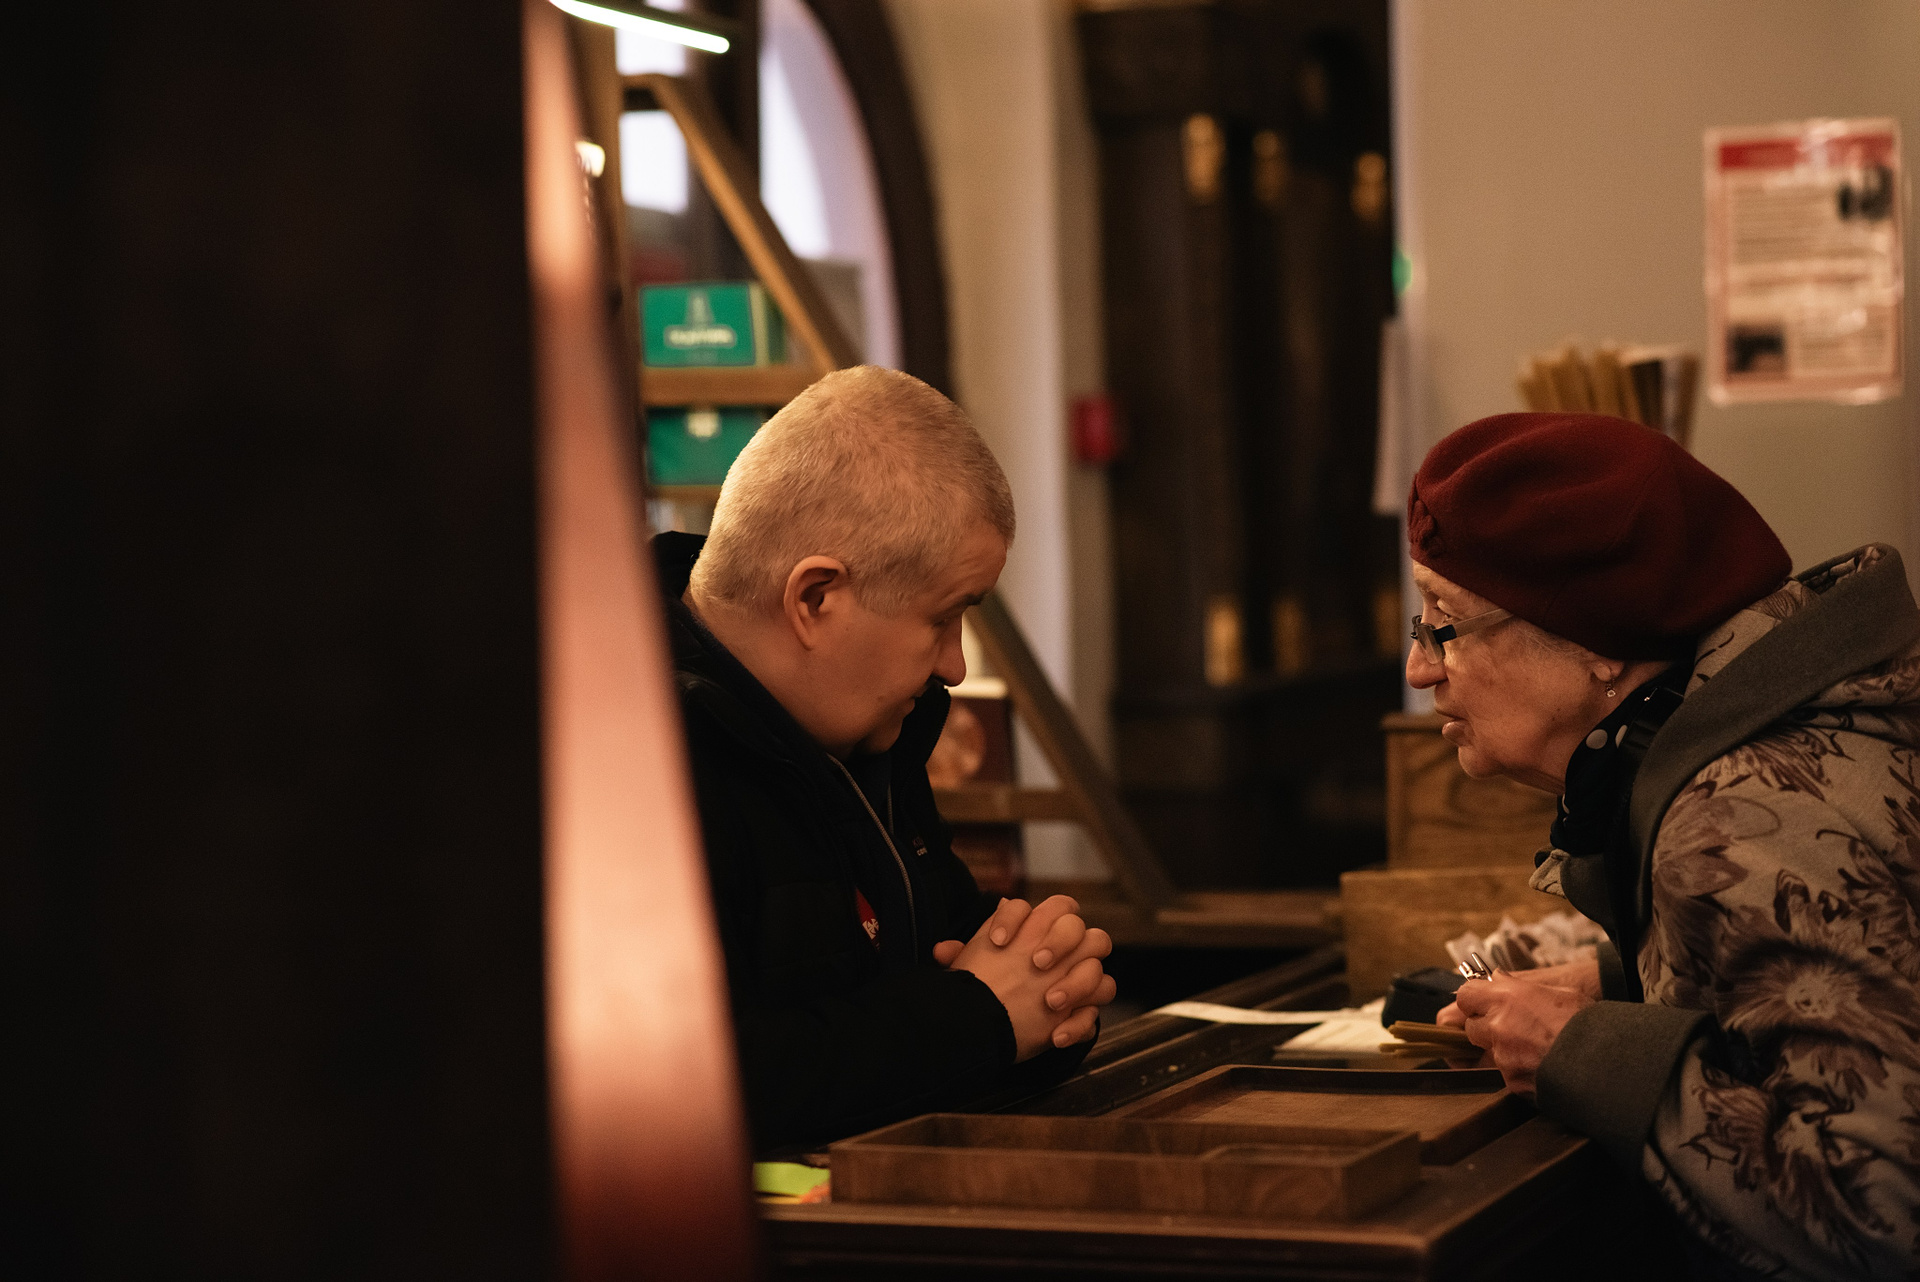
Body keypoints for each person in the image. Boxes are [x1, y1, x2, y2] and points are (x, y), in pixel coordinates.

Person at [1407, 412, 1920, 1279]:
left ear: (1596, 642)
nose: (1420, 668)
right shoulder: (1788, 739)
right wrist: (1628, 980)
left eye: (1443, 624)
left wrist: (1582, 1052)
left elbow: (1881, 1210)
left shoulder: (1737, 813)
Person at [656, 365, 1117, 1155]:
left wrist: (1053, 991)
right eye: (943, 618)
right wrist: (981, 1020)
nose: (955, 667)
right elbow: (692, 1087)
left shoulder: (872, 732)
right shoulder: (635, 760)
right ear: (815, 599)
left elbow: (967, 967)